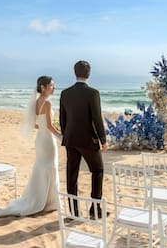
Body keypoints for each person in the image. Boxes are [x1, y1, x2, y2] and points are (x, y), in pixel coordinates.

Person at [0, 76, 61, 218]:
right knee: (50, 166)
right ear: (43, 87)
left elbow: (34, 124)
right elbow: (50, 126)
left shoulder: (35, 102)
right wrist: (61, 136)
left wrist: (44, 128)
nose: (54, 88)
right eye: (51, 85)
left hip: (40, 139)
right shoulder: (47, 103)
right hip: (47, 141)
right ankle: (50, 202)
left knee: (42, 167)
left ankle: (42, 198)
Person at [59, 60, 108, 218]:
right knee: (98, 170)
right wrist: (103, 140)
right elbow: (97, 119)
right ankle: (95, 209)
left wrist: (67, 134)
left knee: (71, 175)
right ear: (89, 73)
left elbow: (62, 119)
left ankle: (73, 212)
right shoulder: (93, 93)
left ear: (75, 73)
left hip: (70, 139)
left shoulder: (65, 93)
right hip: (88, 140)